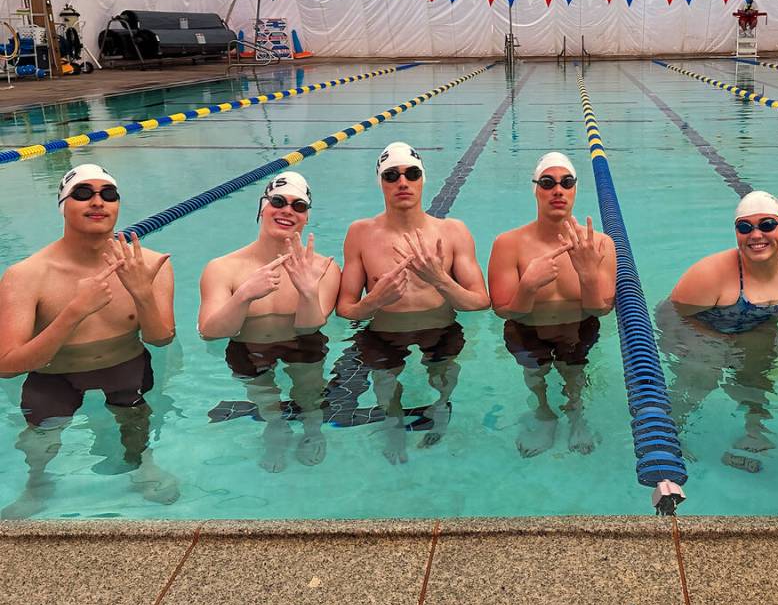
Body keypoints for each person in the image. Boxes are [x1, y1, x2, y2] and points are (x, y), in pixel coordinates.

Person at [0, 164, 178, 516]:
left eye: (108, 194)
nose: (98, 201)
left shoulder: (151, 265)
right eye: (83, 193)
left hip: (125, 365)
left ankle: (143, 466)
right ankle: (37, 485)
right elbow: (6, 365)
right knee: (40, 440)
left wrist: (142, 293)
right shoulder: (26, 276)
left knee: (136, 422)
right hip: (54, 374)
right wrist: (73, 312)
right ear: (63, 205)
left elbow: (160, 340)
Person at [336, 142, 490, 463]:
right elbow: (346, 308)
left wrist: (440, 280)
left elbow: (479, 302)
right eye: (392, 175)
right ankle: (393, 424)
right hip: (383, 332)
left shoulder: (453, 231)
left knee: (443, 378)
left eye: (411, 173)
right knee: (385, 383)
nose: (402, 182)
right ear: (381, 183)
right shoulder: (360, 234)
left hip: (441, 327)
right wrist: (373, 301)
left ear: (423, 179)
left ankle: (441, 407)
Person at [199, 171, 340, 472]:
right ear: (262, 207)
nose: (287, 210)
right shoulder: (223, 268)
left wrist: (307, 292)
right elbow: (209, 333)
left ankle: (312, 426)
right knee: (263, 393)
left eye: (298, 206)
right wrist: (244, 297)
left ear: (306, 218)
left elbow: (309, 327)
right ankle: (275, 425)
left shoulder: (324, 268)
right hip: (247, 346)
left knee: (310, 390)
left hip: (302, 343)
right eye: (278, 201)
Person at [664, 190, 778, 471]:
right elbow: (673, 314)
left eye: (767, 225)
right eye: (745, 227)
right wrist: (708, 343)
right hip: (704, 327)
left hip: (756, 328)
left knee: (759, 374)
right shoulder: (709, 275)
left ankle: (754, 431)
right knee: (699, 378)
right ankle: (669, 436)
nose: (756, 234)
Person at [488, 152, 616, 458]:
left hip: (579, 328)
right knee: (535, 374)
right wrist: (528, 286)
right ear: (536, 189)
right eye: (548, 182)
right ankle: (544, 414)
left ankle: (575, 413)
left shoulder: (601, 244)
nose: (557, 190)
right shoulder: (509, 244)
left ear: (574, 189)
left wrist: (587, 276)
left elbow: (602, 309)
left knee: (574, 373)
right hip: (526, 328)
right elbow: (504, 310)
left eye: (566, 182)